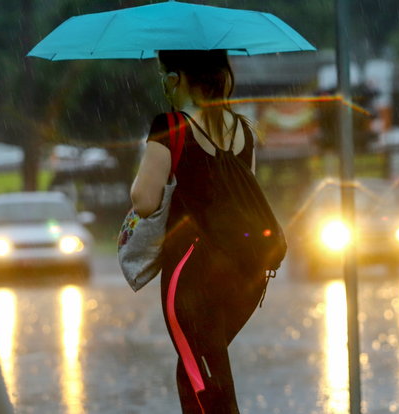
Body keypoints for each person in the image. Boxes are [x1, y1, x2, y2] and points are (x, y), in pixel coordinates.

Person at [130, 49, 267, 413]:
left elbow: (144, 201)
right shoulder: (243, 130)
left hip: (191, 275)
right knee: (198, 372)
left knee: (204, 382)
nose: (162, 82)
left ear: (176, 78)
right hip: (244, 277)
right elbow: (240, 198)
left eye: (164, 73)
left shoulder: (170, 124)